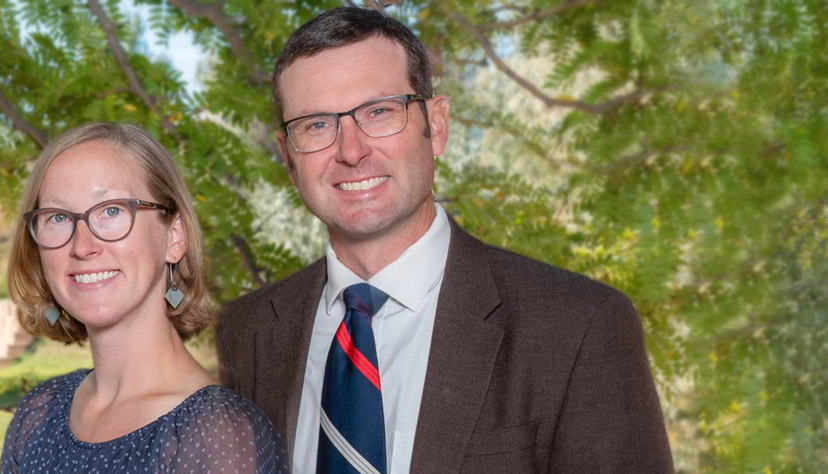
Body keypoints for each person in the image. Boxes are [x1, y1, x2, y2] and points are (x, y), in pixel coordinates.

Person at [215, 7, 672, 474]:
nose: (351, 151)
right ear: (288, 159)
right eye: (316, 125)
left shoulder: (578, 326)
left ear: (436, 126)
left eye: (379, 112)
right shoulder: (243, 334)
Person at [0, 122, 287, 473]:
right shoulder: (38, 414)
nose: (82, 246)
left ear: (174, 236)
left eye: (112, 211)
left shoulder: (220, 436)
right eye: (57, 217)